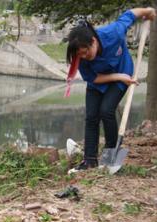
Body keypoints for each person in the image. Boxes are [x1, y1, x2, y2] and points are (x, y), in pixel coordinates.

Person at [66, 7, 156, 173]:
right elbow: (93, 79)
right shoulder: (81, 58)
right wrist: (118, 77)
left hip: (123, 72)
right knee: (91, 116)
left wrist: (147, 11)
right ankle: (90, 161)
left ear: (93, 41)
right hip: (104, 79)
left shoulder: (112, 33)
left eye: (86, 52)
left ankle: (110, 156)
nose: (84, 57)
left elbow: (129, 15)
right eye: (80, 55)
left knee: (106, 111)